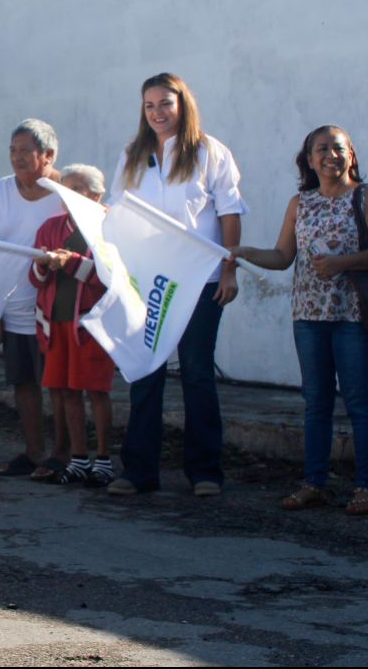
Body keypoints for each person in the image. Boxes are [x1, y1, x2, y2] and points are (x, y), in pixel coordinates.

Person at [229, 126, 368, 515]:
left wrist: (344, 263)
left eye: (338, 148)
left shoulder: (365, 197)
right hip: (307, 316)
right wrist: (244, 252)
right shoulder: (300, 203)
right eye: (321, 149)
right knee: (316, 403)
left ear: (351, 155)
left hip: (354, 315)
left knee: (358, 402)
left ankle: (367, 488)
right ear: (308, 160)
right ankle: (314, 484)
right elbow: (283, 256)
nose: (330, 156)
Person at [107, 73, 246, 498]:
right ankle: (138, 471)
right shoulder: (133, 153)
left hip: (200, 280)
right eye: (149, 105)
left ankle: (204, 471)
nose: (157, 112)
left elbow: (229, 213)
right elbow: (116, 212)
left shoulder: (209, 151)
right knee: (146, 373)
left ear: (182, 104)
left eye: (165, 103)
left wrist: (229, 269)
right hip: (146, 281)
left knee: (197, 372)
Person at [0, 119, 70, 480]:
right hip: (13, 303)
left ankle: (65, 453)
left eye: (25, 150)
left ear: (48, 155)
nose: (16, 157)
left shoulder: (67, 190)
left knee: (60, 383)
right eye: (12, 150)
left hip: (55, 304)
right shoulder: (0, 190)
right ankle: (34, 452)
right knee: (23, 381)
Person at [29, 164, 115, 488]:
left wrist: (72, 262)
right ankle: (78, 459)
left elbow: (112, 278)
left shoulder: (110, 226)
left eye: (76, 189)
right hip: (56, 323)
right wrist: (42, 265)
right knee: (65, 391)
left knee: (96, 390)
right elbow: (35, 278)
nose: (68, 196)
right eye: (64, 189)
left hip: (92, 324)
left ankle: (104, 460)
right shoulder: (51, 226)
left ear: (96, 194)